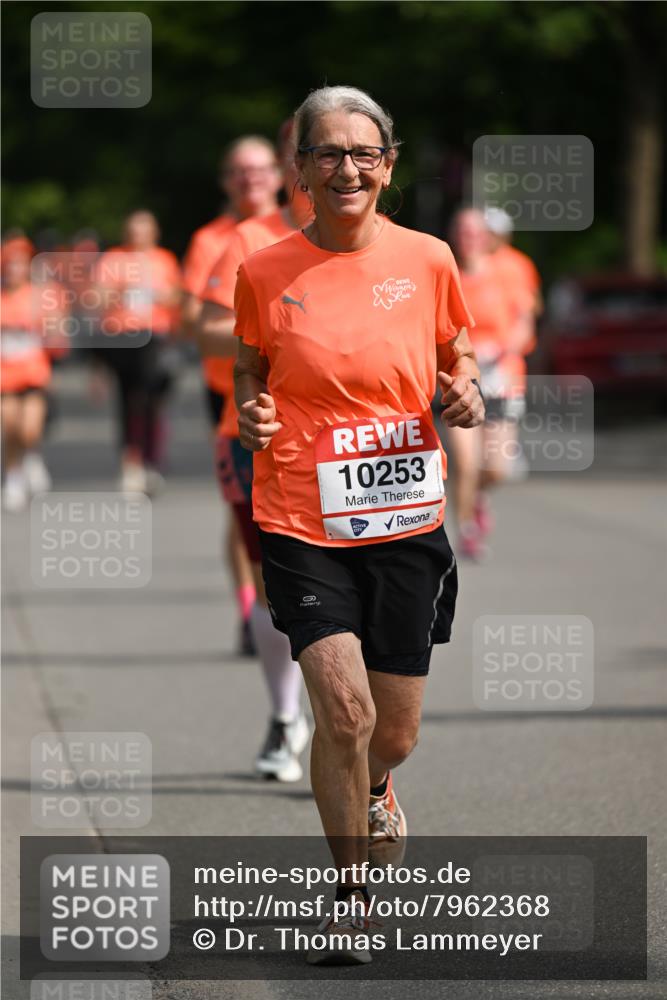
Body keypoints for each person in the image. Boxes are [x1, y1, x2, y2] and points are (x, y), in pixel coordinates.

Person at [232, 86, 484, 964]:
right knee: (340, 711)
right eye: (327, 153)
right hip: (301, 513)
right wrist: (251, 412)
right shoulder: (265, 270)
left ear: (388, 164)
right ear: (299, 169)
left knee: (391, 731)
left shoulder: (428, 258)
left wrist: (465, 390)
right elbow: (248, 367)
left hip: (405, 515)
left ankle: (379, 783)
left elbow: (459, 352)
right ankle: (351, 899)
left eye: (362, 153)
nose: (346, 168)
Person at [196, 122, 312, 781]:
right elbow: (208, 330)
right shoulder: (250, 238)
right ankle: (287, 716)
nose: (327, 164)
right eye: (310, 149)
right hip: (258, 440)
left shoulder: (389, 245)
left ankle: (343, 735)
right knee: (277, 585)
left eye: (348, 148)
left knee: (351, 591)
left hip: (354, 449)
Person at [183, 136, 283, 655]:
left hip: (301, 399)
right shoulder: (215, 239)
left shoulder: (315, 231)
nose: (252, 181)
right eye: (240, 172)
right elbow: (194, 321)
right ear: (227, 181)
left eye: (260, 169)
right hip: (228, 390)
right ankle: (252, 605)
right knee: (243, 512)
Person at [447, 208, 535, 560]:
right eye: (463, 231)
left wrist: (501, 349)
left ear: (487, 236)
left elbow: (525, 323)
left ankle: (477, 497)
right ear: (455, 236)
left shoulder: (510, 270)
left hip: (502, 377)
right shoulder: (446, 272)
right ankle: (467, 530)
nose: (470, 238)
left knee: (496, 468)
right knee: (466, 464)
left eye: (476, 232)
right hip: (461, 379)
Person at [95, 211, 181, 494]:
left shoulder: (164, 259)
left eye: (143, 231)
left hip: (156, 337)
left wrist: (156, 294)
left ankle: (152, 461)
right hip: (123, 337)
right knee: (130, 400)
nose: (138, 236)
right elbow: (98, 297)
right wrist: (123, 290)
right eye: (133, 230)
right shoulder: (114, 259)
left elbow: (178, 296)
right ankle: (130, 462)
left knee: (153, 399)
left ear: (154, 233)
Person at [1, 237, 68, 511]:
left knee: (29, 428)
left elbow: (59, 339)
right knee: (9, 426)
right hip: (5, 374)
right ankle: (13, 477)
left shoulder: (42, 296)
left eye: (19, 265)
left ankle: (32, 455)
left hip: (33, 372)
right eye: (9, 265)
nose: (14, 271)